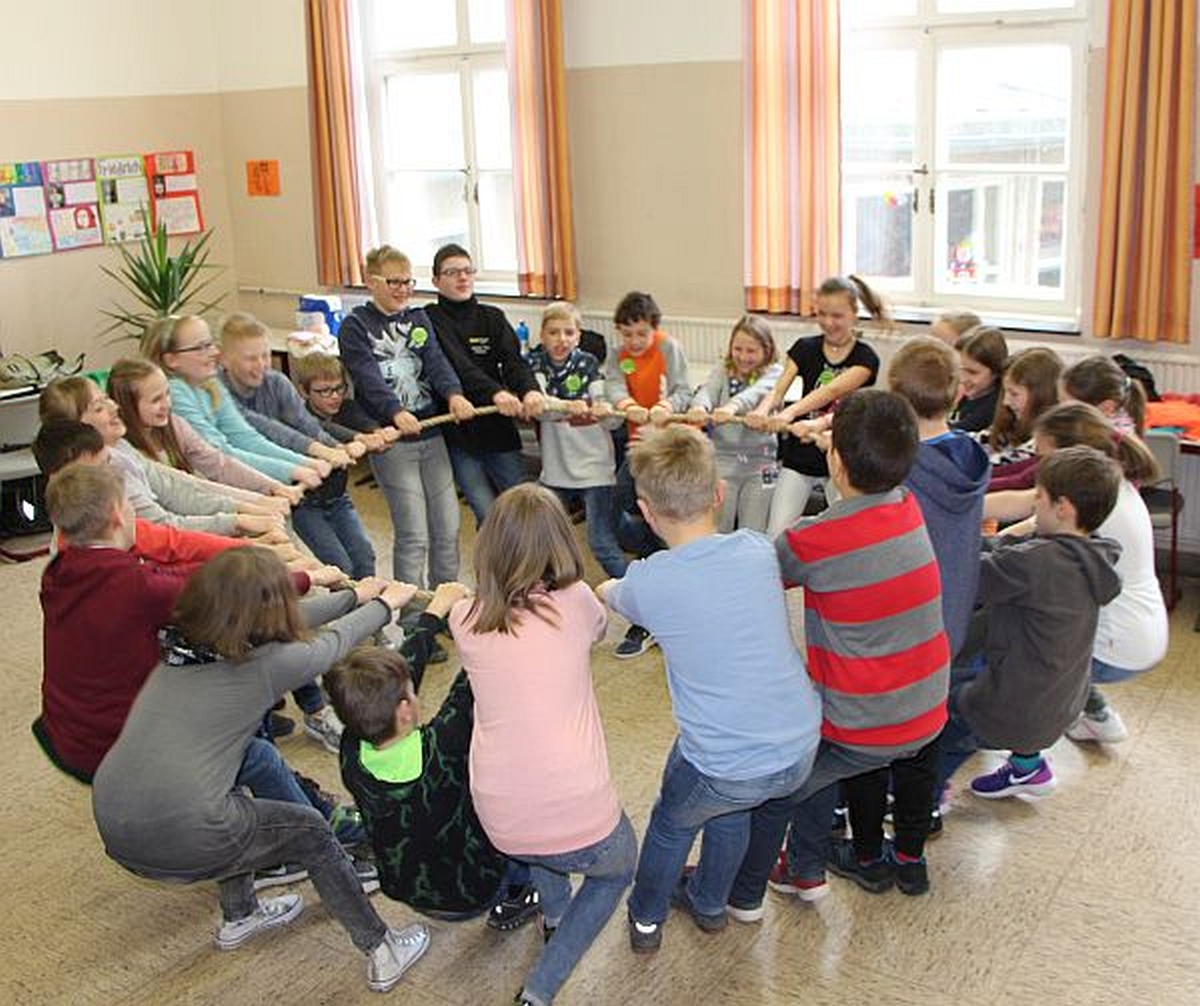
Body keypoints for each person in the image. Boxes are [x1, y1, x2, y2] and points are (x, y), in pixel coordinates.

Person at [91, 550, 430, 994]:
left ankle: (240, 914)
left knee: (242, 761)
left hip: (115, 819)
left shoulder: (183, 641)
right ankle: (383, 948)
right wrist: (385, 607)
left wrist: (351, 596)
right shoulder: (264, 667)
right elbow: (329, 646)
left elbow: (286, 619)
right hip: (184, 833)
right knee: (309, 830)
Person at [597, 426, 821, 948]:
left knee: (673, 823)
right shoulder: (756, 548)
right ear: (720, 493)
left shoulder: (650, 582)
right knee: (733, 808)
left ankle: (646, 918)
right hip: (799, 742)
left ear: (645, 511)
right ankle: (710, 904)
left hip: (728, 757)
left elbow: (614, 592)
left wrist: (605, 585)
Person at [729, 390, 949, 914]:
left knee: (779, 783)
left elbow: (760, 574)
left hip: (864, 723)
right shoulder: (907, 505)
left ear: (836, 459)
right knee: (818, 762)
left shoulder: (816, 540)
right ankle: (806, 870)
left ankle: (741, 889)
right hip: (927, 709)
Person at [449, 484, 636, 1006]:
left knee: (542, 847)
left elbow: (478, 610)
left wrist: (451, 599)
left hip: (501, 818)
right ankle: (540, 987)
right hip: (576, 810)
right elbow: (596, 629)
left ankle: (554, 915)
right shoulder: (575, 602)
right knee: (619, 865)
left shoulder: (463, 620)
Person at [829, 338, 989, 897]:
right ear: (959, 392)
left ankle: (868, 854)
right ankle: (911, 857)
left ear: (895, 397)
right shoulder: (973, 458)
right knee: (924, 747)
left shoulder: (899, 471)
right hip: (948, 631)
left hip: (897, 634)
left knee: (874, 749)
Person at [326, 583, 540, 929]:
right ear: (405, 711)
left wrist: (432, 614)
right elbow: (471, 684)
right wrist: (491, 622)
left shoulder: (351, 748)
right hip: (472, 892)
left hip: (404, 887)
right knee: (524, 815)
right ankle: (518, 896)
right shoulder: (441, 747)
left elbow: (397, 676)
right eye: (411, 691)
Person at [940, 446, 1122, 799]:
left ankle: (928, 804)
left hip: (1012, 709)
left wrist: (948, 529)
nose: (1034, 504)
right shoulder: (1094, 554)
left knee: (946, 724)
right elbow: (1010, 554)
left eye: (1039, 497)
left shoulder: (1036, 563)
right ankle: (1027, 768)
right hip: (1064, 701)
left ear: (1063, 508)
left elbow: (967, 571)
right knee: (1021, 670)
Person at [992, 403, 1166, 744]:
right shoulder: (1104, 483)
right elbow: (1026, 510)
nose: (1038, 467)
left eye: (1044, 459)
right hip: (1143, 631)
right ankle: (1096, 713)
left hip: (1119, 645)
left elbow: (1027, 524)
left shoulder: (1089, 503)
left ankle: (1026, 755)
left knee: (1013, 631)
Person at [339, 245, 476, 587]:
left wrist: (454, 394)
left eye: (408, 281)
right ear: (372, 283)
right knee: (414, 533)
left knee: (448, 527)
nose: (402, 289)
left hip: (432, 436)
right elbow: (367, 378)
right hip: (394, 443)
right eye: (394, 281)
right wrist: (395, 412)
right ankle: (414, 614)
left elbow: (436, 362)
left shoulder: (418, 319)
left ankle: (443, 604)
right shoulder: (356, 326)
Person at [217, 313, 376, 582]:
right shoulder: (218, 392)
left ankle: (371, 617)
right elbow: (272, 433)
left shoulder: (277, 383)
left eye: (265, 356)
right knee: (335, 567)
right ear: (224, 359)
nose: (261, 365)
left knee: (364, 557)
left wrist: (338, 447)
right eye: (250, 358)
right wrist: (326, 452)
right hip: (269, 498)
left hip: (322, 490)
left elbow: (306, 425)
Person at [38, 376, 286, 539]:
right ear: (76, 427)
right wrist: (237, 520)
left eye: (107, 399)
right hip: (156, 555)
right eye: (99, 407)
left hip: (170, 538)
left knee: (275, 520)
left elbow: (177, 486)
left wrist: (249, 504)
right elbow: (163, 528)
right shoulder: (105, 474)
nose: (114, 407)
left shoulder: (120, 449)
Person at [746, 274, 886, 537]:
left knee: (848, 533)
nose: (828, 323)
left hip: (842, 456)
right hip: (801, 455)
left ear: (854, 314)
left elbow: (832, 390)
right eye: (822, 314)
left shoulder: (866, 359)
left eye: (837, 316)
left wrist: (790, 413)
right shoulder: (804, 348)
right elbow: (779, 388)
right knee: (776, 532)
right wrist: (762, 411)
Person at [424, 243, 544, 524]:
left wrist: (530, 391)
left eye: (467, 271)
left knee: (522, 506)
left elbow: (515, 362)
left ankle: (531, 566)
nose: (462, 278)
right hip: (460, 432)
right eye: (452, 272)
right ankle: (496, 566)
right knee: (487, 513)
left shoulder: (492, 317)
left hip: (498, 427)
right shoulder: (430, 319)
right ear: (436, 281)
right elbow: (458, 366)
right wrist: (496, 392)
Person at [603, 290, 692, 658]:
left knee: (664, 524)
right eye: (626, 334)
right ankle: (654, 566)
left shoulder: (668, 348)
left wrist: (666, 405)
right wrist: (625, 405)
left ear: (654, 329)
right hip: (638, 445)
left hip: (667, 446)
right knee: (621, 506)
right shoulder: (617, 353)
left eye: (640, 334)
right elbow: (612, 384)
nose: (633, 342)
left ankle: (659, 613)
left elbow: (684, 389)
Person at [142, 314, 326, 489]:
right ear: (171, 359)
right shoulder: (174, 391)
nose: (214, 352)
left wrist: (306, 463)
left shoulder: (210, 384)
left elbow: (246, 437)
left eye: (211, 344)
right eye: (201, 347)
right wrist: (293, 470)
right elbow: (219, 455)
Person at [108, 357, 303, 507]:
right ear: (127, 407)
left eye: (167, 394)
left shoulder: (175, 425)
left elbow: (219, 464)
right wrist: (255, 503)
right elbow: (186, 490)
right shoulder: (123, 450)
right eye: (155, 400)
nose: (166, 404)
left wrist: (273, 487)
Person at [527, 300, 627, 577]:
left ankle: (641, 593)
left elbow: (613, 418)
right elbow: (542, 410)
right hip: (556, 469)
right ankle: (545, 591)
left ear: (578, 336)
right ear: (542, 335)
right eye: (554, 332)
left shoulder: (588, 363)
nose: (561, 340)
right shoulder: (534, 363)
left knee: (601, 542)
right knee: (539, 534)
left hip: (594, 468)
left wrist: (604, 410)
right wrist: (566, 406)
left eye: (569, 333)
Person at [684, 315, 782, 533]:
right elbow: (707, 391)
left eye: (751, 351)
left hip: (762, 465)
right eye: (738, 349)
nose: (743, 357)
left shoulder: (775, 373)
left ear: (766, 350)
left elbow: (757, 393)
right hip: (723, 462)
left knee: (754, 530)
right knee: (720, 528)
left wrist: (731, 407)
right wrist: (700, 407)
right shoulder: (723, 369)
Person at [983, 345, 1063, 475]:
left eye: (1014, 394)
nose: (1006, 402)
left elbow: (1000, 468)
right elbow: (983, 440)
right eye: (1005, 393)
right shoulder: (1013, 420)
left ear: (1041, 395)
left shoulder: (1046, 439)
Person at [1061, 354, 1148, 435]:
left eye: (1069, 407)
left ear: (1107, 408)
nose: (1060, 412)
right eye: (1060, 402)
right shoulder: (1108, 423)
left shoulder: (1108, 439)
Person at [951, 325, 1008, 434]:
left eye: (972, 372)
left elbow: (957, 432)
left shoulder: (994, 406)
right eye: (959, 368)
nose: (963, 378)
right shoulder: (964, 391)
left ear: (996, 372)